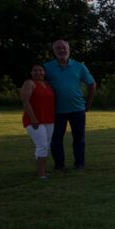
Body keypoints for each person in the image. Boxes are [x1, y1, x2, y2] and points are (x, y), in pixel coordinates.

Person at [44, 40, 96, 171]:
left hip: (77, 108)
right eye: (58, 48)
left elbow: (92, 84)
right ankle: (59, 165)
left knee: (79, 139)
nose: (62, 50)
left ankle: (79, 164)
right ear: (54, 51)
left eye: (64, 47)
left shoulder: (79, 66)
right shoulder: (47, 67)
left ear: (69, 49)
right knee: (56, 139)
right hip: (56, 110)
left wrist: (88, 103)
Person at [20, 62, 56, 179]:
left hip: (48, 120)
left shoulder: (47, 84)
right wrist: (33, 118)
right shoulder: (29, 83)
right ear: (31, 72)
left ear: (44, 72)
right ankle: (41, 174)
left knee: (46, 145)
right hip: (35, 120)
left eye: (40, 70)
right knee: (42, 146)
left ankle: (41, 170)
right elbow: (25, 101)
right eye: (35, 70)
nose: (38, 72)